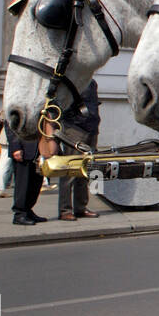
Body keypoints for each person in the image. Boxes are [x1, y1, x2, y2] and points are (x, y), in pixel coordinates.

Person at [58, 81, 100, 220]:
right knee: (70, 171)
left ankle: (80, 207)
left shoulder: (91, 82)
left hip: (91, 129)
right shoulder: (71, 81)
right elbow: (61, 105)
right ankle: (65, 210)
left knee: (85, 171)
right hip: (74, 129)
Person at [5, 123, 47, 226]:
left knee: (36, 183)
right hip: (23, 149)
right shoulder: (17, 106)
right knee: (23, 184)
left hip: (39, 148)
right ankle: (19, 214)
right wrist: (16, 147)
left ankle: (28, 210)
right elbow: (10, 125)